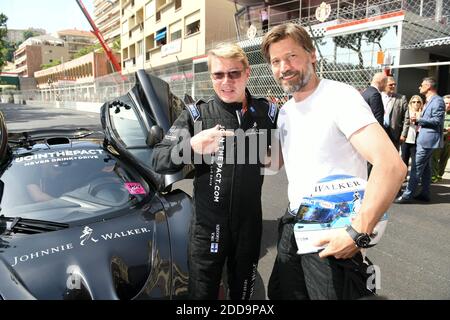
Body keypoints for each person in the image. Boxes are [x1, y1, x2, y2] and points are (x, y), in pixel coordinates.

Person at [261, 23, 406, 299]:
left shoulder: (341, 98)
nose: (284, 67)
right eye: (276, 61)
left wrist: (357, 233)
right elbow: (273, 163)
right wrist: (225, 141)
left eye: (291, 56)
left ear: (312, 55)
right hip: (294, 226)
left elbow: (391, 166)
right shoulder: (286, 111)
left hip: (333, 232)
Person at [151, 43, 278, 300]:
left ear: (247, 73)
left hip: (248, 229)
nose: (226, 81)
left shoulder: (267, 113)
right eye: (218, 74)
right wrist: (191, 146)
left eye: (233, 73)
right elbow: (158, 159)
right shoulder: (196, 116)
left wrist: (267, 154)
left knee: (243, 295)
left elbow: (279, 161)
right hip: (207, 229)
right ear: (211, 77)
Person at [395, 78, 445, 203]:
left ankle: (407, 195)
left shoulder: (437, 101)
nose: (419, 87)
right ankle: (425, 193)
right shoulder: (430, 101)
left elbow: (437, 121)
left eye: (422, 85)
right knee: (426, 168)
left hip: (428, 140)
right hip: (425, 139)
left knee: (416, 167)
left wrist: (418, 120)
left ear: (428, 86)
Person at [381, 76, 408, 150]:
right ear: (384, 85)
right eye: (390, 85)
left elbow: (406, 118)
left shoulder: (401, 98)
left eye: (394, 84)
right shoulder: (377, 97)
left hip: (394, 134)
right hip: (379, 132)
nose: (393, 86)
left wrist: (404, 135)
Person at [400, 95, 424, 169]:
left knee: (415, 160)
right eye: (414, 102)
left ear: (421, 103)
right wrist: (408, 121)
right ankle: (404, 176)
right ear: (411, 103)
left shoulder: (423, 113)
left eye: (418, 102)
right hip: (407, 137)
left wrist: (418, 121)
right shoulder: (407, 112)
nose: (416, 103)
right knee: (404, 158)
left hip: (418, 138)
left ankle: (414, 178)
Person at [431, 94, 450, 182]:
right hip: (437, 138)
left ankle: (439, 174)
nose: (448, 105)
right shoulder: (436, 112)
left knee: (444, 158)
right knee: (434, 158)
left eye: (449, 103)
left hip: (448, 140)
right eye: (446, 103)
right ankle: (434, 175)